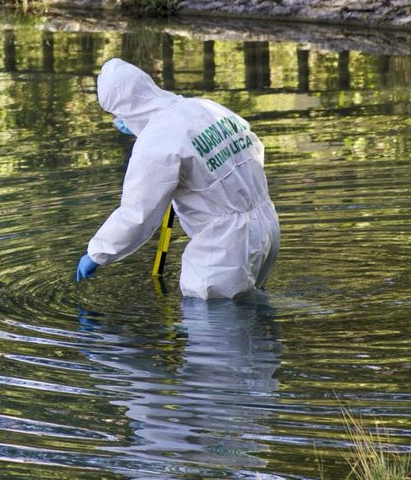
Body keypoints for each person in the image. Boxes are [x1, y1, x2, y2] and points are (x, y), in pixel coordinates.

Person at [75, 58, 280, 300]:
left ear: (125, 108)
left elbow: (137, 214)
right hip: (266, 225)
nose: (116, 122)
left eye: (114, 114)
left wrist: (98, 252)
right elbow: (252, 151)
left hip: (225, 247)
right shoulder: (204, 107)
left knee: (210, 326)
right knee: (254, 325)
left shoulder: (156, 139)